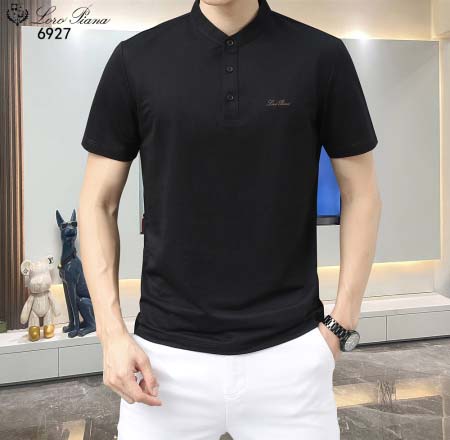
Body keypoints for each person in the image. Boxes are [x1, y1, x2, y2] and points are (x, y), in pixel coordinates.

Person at [79, 0, 381, 438]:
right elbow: (97, 203)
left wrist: (341, 323)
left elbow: (362, 193)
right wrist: (111, 335)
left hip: (291, 358)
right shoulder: (135, 59)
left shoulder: (321, 56)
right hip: (161, 363)